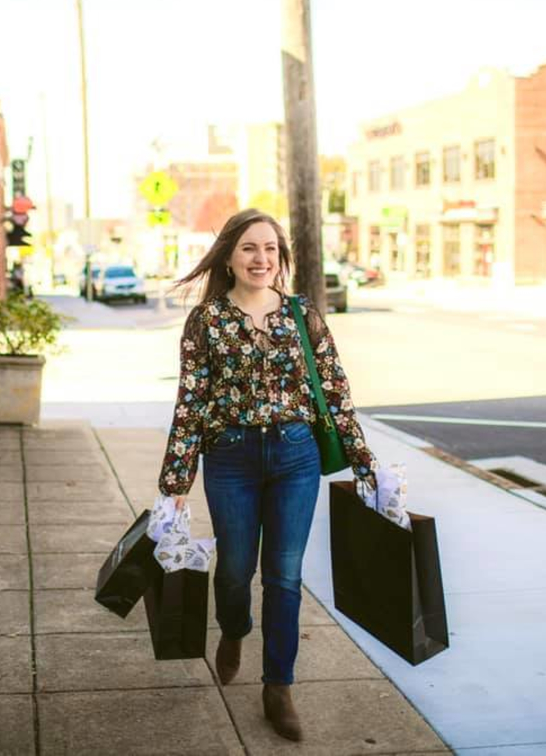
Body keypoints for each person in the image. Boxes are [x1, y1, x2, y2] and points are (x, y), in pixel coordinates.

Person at [158, 208, 375, 742]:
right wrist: (176, 482)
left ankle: (278, 684)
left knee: (283, 574)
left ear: (281, 258)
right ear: (229, 256)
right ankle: (234, 628)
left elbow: (337, 392)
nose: (261, 259)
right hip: (229, 458)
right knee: (234, 570)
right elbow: (191, 400)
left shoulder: (303, 315)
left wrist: (364, 463)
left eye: (271, 249)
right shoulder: (207, 320)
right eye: (250, 248)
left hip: (296, 457)